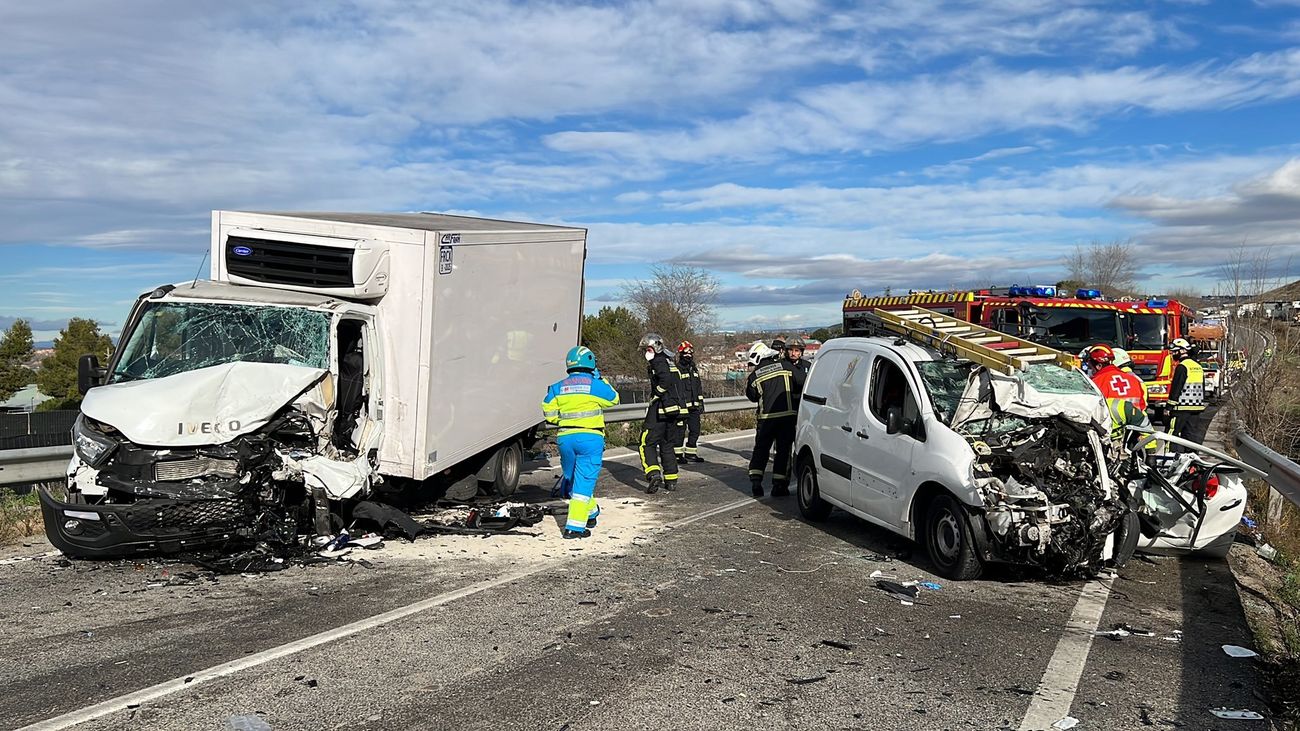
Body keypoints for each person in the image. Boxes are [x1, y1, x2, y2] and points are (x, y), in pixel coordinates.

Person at [541, 346, 620, 539]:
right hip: (590, 438)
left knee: (573, 478)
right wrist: (601, 379)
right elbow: (614, 399)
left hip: (565, 438)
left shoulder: (557, 387)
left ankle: (591, 512)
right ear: (591, 363)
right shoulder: (595, 384)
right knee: (583, 483)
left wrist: (561, 419)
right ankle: (574, 528)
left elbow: (548, 412)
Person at [745, 341, 797, 497]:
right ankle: (779, 486)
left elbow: (752, 397)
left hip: (765, 419)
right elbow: (800, 382)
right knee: (783, 451)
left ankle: (756, 481)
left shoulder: (754, 375)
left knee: (761, 449)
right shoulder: (786, 367)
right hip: (787, 417)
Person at [638, 333, 685, 493]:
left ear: (654, 348)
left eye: (647, 349)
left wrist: (656, 395)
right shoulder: (670, 361)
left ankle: (653, 473)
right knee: (667, 445)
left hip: (660, 409)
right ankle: (671, 480)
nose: (646, 352)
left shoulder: (658, 361)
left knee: (646, 442)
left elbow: (665, 380)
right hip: (673, 411)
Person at [1086, 344, 1153, 453]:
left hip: (1111, 436)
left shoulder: (1096, 383)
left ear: (1098, 366)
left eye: (1089, 366)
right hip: (1135, 432)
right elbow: (1142, 407)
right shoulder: (1134, 380)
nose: (1089, 369)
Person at [1167, 337, 1207, 450]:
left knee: (1171, 435)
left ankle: (1169, 459)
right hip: (1196, 408)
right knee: (1190, 438)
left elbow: (1176, 388)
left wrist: (1169, 407)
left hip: (1181, 408)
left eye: (1175, 351)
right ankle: (1191, 462)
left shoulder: (1182, 367)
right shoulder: (1198, 367)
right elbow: (1202, 388)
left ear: (1183, 351)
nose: (1173, 354)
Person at [674, 341, 705, 464]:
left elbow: (698, 387)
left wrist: (701, 402)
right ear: (681, 354)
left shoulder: (694, 369)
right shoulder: (677, 369)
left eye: (690, 352)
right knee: (680, 431)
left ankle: (690, 453)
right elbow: (676, 389)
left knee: (695, 430)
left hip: (694, 407)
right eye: (686, 352)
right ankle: (677, 455)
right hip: (682, 407)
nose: (689, 355)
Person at [784, 337, 811, 410]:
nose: (793, 353)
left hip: (802, 403)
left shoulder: (807, 365)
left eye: (796, 350)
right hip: (785, 403)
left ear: (801, 352)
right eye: (790, 350)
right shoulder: (782, 365)